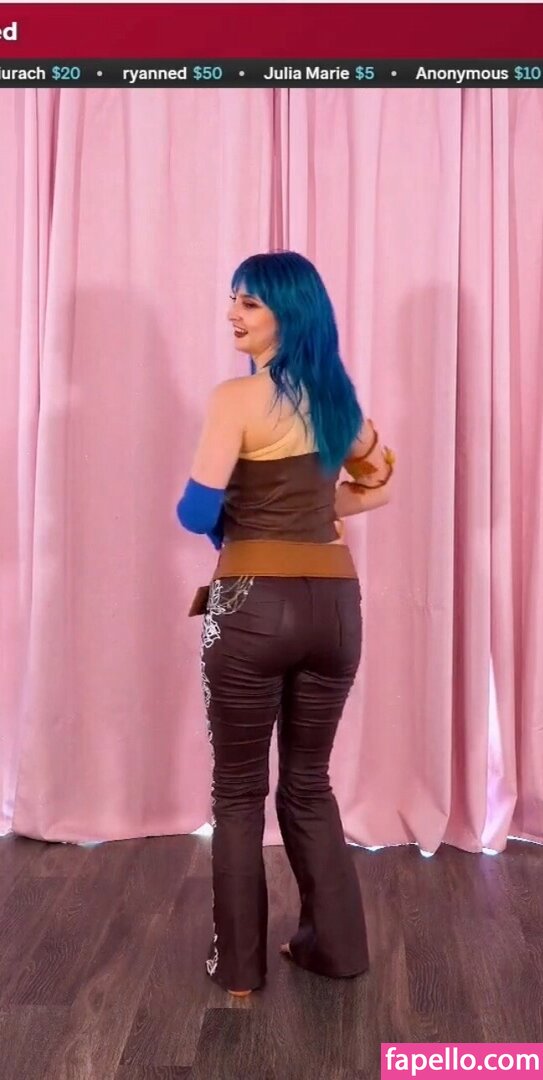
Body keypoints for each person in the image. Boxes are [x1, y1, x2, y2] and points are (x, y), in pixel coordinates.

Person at [176, 251, 394, 997]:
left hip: (250, 606)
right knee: (308, 784)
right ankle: (338, 950)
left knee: (239, 793)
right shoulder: (339, 404)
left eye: (250, 304)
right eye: (233, 299)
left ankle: (239, 970)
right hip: (335, 608)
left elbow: (195, 512)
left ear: (288, 315)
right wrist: (316, 505)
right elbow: (380, 481)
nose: (232, 314)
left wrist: (243, 516)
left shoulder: (236, 398)